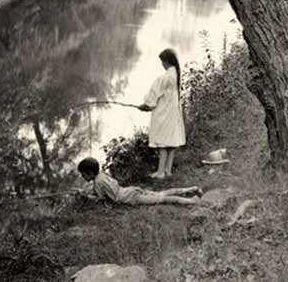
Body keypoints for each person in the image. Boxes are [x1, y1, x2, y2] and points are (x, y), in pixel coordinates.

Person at [138, 48, 185, 179]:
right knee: (171, 142)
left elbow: (154, 94)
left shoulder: (165, 77)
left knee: (163, 143)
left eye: (162, 62)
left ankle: (160, 172)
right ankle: (167, 171)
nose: (162, 65)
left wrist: (146, 105)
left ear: (167, 61)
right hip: (173, 113)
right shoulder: (176, 74)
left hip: (164, 113)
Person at [78, 157, 202, 206]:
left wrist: (85, 196)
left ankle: (192, 201)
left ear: (89, 173)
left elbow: (102, 199)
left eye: (83, 174)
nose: (83, 177)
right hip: (130, 190)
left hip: (132, 198)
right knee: (162, 193)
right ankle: (192, 188)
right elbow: (110, 188)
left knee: (162, 199)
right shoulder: (102, 175)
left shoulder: (97, 182)